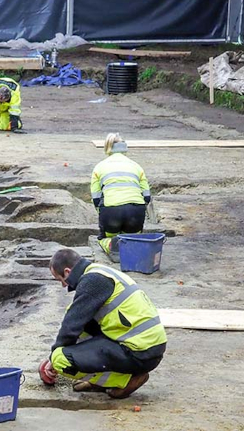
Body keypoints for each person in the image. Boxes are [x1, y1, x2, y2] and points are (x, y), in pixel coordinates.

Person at [38, 248, 166, 399]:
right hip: (147, 347)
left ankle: (125, 381)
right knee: (78, 325)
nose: (64, 286)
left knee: (61, 359)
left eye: (61, 280)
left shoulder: (92, 281)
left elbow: (71, 326)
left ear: (67, 272)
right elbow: (77, 323)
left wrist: (53, 358)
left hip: (140, 353)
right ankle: (102, 381)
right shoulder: (100, 272)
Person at [90, 133, 150, 256]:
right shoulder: (137, 166)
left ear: (107, 147)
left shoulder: (99, 167)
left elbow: (96, 198)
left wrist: (104, 214)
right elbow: (147, 196)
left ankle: (111, 244)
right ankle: (131, 246)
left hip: (112, 211)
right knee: (132, 239)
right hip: (136, 210)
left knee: (104, 239)